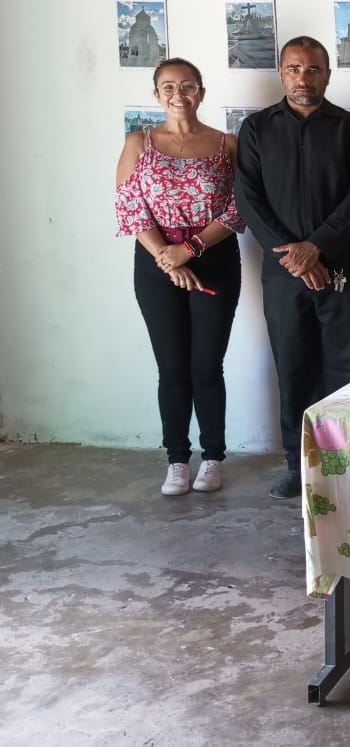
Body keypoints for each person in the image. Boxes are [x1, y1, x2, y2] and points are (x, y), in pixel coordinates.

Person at [236, 36, 350, 499]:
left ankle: (344, 466)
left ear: (328, 74)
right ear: (282, 73)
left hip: (340, 267)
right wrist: (295, 256)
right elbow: (248, 200)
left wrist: (315, 248)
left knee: (345, 365)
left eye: (312, 70)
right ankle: (299, 467)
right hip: (281, 273)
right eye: (294, 69)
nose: (303, 78)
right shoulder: (256, 129)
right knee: (292, 366)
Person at [114, 58, 244, 496]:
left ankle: (212, 458)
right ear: (156, 96)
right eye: (167, 87)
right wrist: (169, 259)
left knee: (207, 365)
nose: (177, 94)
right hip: (156, 266)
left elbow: (239, 208)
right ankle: (176, 460)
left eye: (187, 86)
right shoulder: (139, 142)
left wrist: (189, 250)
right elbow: (130, 207)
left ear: (202, 93)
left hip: (214, 259)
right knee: (171, 368)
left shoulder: (228, 144)